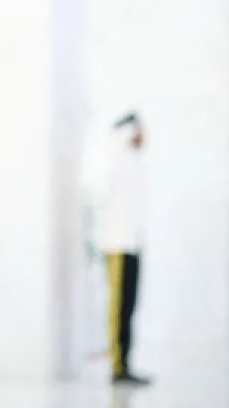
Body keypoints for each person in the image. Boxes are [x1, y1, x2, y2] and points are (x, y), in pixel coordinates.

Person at [96, 112, 151, 386]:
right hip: (117, 245)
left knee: (129, 307)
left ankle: (126, 362)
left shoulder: (134, 164)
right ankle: (117, 365)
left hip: (132, 245)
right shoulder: (114, 157)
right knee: (118, 308)